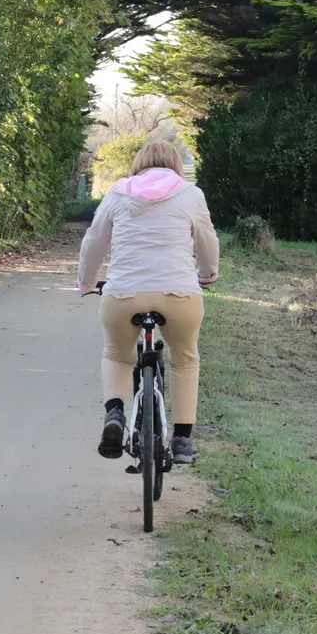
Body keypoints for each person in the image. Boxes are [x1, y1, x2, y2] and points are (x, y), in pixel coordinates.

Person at [77, 140, 220, 464]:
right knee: (184, 359)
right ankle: (182, 440)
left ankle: (115, 414)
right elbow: (208, 241)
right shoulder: (191, 194)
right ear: (175, 165)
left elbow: (94, 241)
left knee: (117, 355)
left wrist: (86, 281)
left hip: (123, 294)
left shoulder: (117, 192)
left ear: (138, 164)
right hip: (179, 294)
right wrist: (208, 274)